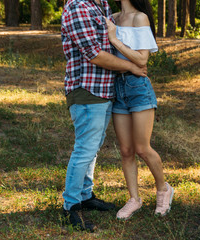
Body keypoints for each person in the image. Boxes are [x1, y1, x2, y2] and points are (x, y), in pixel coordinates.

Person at [61, 0, 147, 232]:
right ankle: (71, 204)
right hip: (87, 89)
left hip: (104, 89)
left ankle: (85, 195)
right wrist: (130, 67)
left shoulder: (101, 5)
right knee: (85, 148)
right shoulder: (78, 7)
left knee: (93, 146)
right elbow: (95, 55)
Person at [104, 0, 174, 220]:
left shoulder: (139, 18)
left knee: (142, 148)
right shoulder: (112, 17)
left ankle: (163, 189)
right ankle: (134, 199)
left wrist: (114, 39)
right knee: (126, 150)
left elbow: (143, 58)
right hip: (117, 86)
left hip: (138, 87)